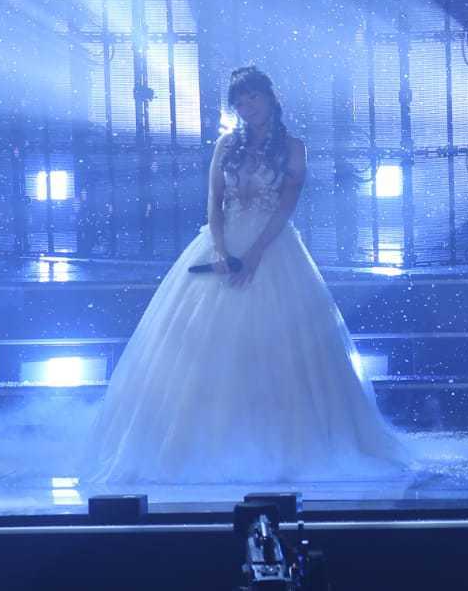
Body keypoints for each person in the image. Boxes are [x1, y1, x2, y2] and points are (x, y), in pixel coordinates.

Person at [80, 65, 412, 487]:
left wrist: (254, 254)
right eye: (239, 101)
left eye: (252, 97)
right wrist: (220, 249)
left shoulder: (293, 148)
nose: (246, 106)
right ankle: (197, 445)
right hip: (223, 243)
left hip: (273, 248)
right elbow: (214, 200)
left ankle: (283, 443)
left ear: (270, 98)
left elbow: (286, 206)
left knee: (282, 347)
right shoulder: (226, 145)